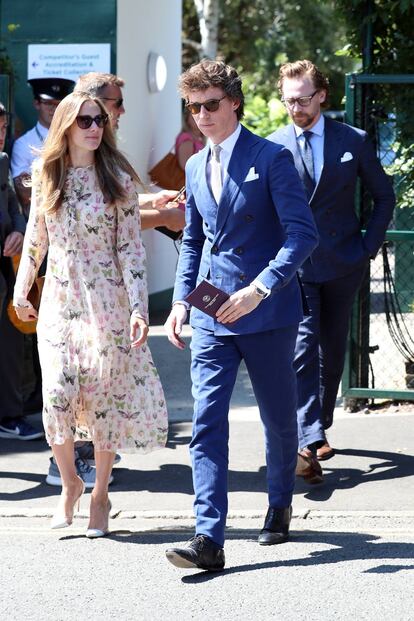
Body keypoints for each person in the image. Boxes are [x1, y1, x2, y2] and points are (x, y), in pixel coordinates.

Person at [164, 60, 318, 571]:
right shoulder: (192, 165)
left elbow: (302, 235)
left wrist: (261, 288)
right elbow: (194, 240)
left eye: (211, 104)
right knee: (206, 422)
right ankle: (208, 538)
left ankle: (278, 502)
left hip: (266, 311)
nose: (202, 116)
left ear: (234, 102)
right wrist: (181, 301)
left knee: (278, 420)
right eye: (193, 107)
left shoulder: (272, 157)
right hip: (211, 315)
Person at [13, 91, 168, 537]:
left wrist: (140, 308)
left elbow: (130, 249)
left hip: (108, 301)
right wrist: (23, 290)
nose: (95, 127)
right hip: (60, 302)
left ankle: (100, 493)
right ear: (66, 125)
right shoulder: (48, 173)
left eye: (99, 119)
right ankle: (70, 483)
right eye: (85, 121)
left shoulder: (116, 175)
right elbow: (36, 238)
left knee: (103, 398)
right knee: (57, 394)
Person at [268, 60, 395, 482]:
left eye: (303, 98)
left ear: (322, 94)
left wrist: (366, 247)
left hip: (344, 262)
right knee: (303, 348)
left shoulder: (351, 140)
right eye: (289, 100)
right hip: (297, 267)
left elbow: (383, 197)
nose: (296, 107)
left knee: (333, 351)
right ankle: (308, 438)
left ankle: (317, 423)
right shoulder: (274, 145)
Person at [74, 72, 185, 234]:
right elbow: (99, 217)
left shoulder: (103, 150)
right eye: (118, 103)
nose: (123, 110)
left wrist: (155, 200)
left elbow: (115, 203)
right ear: (95, 103)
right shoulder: (80, 153)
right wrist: (165, 217)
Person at [0, 102, 43, 441]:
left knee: (12, 339)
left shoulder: (2, 162)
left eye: (3, 129)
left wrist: (17, 230)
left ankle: (11, 414)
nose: (1, 136)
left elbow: (14, 207)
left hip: (7, 263)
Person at [11, 78, 75, 214]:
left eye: (58, 103)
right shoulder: (23, 144)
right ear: (36, 103)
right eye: (48, 103)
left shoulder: (76, 139)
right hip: (40, 219)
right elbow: (23, 192)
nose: (54, 109)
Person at [175, 108, 205, 172]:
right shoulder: (186, 137)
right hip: (187, 180)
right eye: (193, 117)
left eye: (200, 116)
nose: (198, 120)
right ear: (187, 120)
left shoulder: (199, 138)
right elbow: (185, 165)